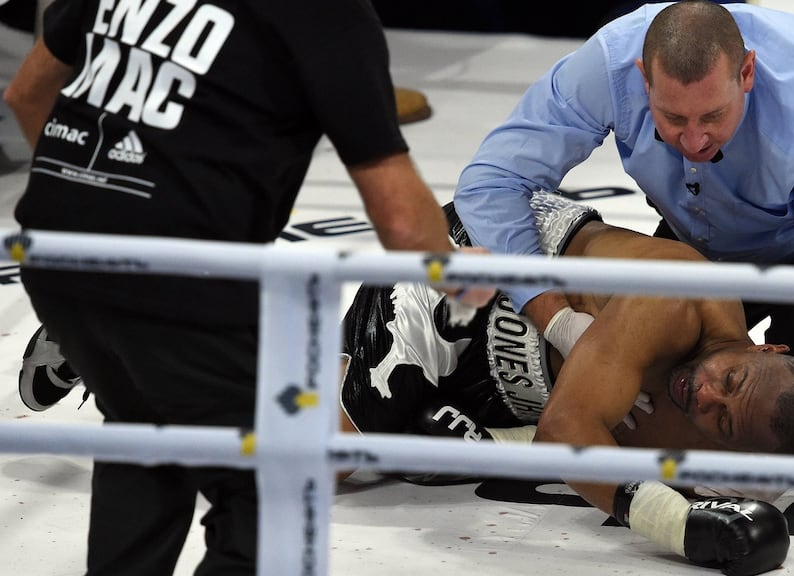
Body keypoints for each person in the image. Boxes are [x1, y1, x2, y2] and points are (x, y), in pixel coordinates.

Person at [4, 1, 491, 574]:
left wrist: (95, 206)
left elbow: (27, 93)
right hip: (178, 281)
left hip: (54, 255)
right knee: (272, 492)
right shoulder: (327, 15)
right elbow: (404, 222)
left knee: (143, 442)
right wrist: (454, 277)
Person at [337, 192, 794, 575]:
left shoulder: (756, 458)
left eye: (720, 421)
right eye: (729, 379)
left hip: (521, 386)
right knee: (327, 459)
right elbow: (565, 432)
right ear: (766, 344)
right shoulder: (674, 298)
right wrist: (674, 525)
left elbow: (775, 439)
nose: (704, 395)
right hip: (474, 281)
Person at [452, 0, 794, 454]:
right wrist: (553, 316)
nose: (694, 139)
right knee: (640, 401)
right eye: (672, 117)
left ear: (746, 73)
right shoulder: (607, 67)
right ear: (643, 80)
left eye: (713, 115)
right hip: (708, 231)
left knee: (792, 424)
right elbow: (492, 181)